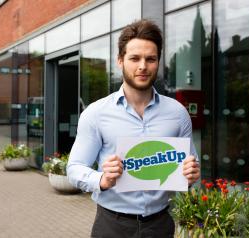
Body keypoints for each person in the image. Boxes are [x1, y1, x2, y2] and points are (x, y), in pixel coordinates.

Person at [67, 19, 200, 238]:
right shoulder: (96, 113)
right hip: (112, 225)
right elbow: (74, 168)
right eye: (134, 58)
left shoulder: (177, 113)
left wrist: (191, 174)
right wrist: (102, 179)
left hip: (160, 225)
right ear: (120, 61)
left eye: (150, 59)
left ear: (158, 62)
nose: (142, 66)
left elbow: (190, 169)